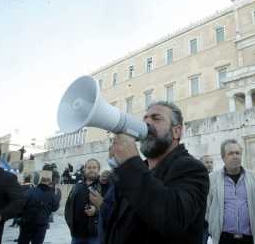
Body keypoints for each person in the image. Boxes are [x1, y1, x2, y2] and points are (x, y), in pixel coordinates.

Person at [104, 101, 209, 244]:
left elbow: (174, 219)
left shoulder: (192, 168)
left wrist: (130, 164)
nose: (147, 124)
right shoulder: (138, 169)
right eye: (145, 119)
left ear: (176, 131)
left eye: (156, 118)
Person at [206, 139, 255, 244]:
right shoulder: (212, 179)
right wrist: (213, 228)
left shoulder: (253, 177)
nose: (235, 156)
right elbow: (207, 208)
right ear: (223, 157)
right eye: (231, 153)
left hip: (248, 238)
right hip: (223, 238)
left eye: (238, 153)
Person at [65, 159, 102, 244]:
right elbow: (68, 206)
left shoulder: (104, 186)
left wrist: (96, 211)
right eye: (89, 167)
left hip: (95, 236)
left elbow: (112, 208)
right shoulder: (77, 186)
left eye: (94, 167)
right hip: (77, 235)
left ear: (98, 169)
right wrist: (71, 224)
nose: (92, 169)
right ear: (85, 169)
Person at [17, 170, 60, 244]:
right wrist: (57, 196)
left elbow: (20, 206)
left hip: (27, 224)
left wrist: (21, 217)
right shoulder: (51, 195)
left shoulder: (30, 191)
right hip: (41, 225)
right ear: (49, 183)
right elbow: (55, 208)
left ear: (40, 181)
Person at [200, 154, 214, 244]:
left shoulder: (217, 178)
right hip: (202, 222)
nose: (209, 164)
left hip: (215, 220)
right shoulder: (196, 179)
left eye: (211, 162)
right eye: (207, 162)